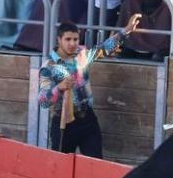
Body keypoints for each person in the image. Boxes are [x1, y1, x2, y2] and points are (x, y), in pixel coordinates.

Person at [39, 13, 142, 158]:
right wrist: (59, 88)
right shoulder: (48, 66)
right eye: (67, 39)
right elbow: (43, 101)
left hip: (87, 118)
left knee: (96, 165)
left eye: (75, 39)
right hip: (64, 123)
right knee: (62, 171)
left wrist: (126, 30)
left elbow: (104, 49)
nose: (72, 43)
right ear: (59, 40)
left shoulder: (82, 55)